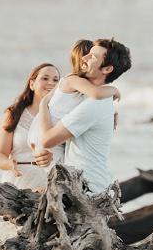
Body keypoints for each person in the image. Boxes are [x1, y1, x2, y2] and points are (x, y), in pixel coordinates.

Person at [35, 38, 132, 195]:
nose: (84, 58)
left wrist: (43, 105)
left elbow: (47, 139)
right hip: (84, 183)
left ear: (107, 69)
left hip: (87, 189)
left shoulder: (93, 105)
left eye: (92, 57)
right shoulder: (92, 96)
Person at [27, 39, 119, 167]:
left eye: (92, 57)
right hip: (46, 133)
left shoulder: (75, 83)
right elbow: (96, 93)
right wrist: (114, 90)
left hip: (48, 132)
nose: (87, 60)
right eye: (88, 56)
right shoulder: (74, 80)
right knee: (57, 174)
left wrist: (111, 109)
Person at [0, 63, 59, 191]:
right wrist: (9, 164)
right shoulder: (13, 113)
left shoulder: (61, 117)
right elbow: (0, 155)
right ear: (32, 84)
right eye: (45, 78)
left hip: (49, 184)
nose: (51, 83)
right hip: (18, 181)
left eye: (55, 80)